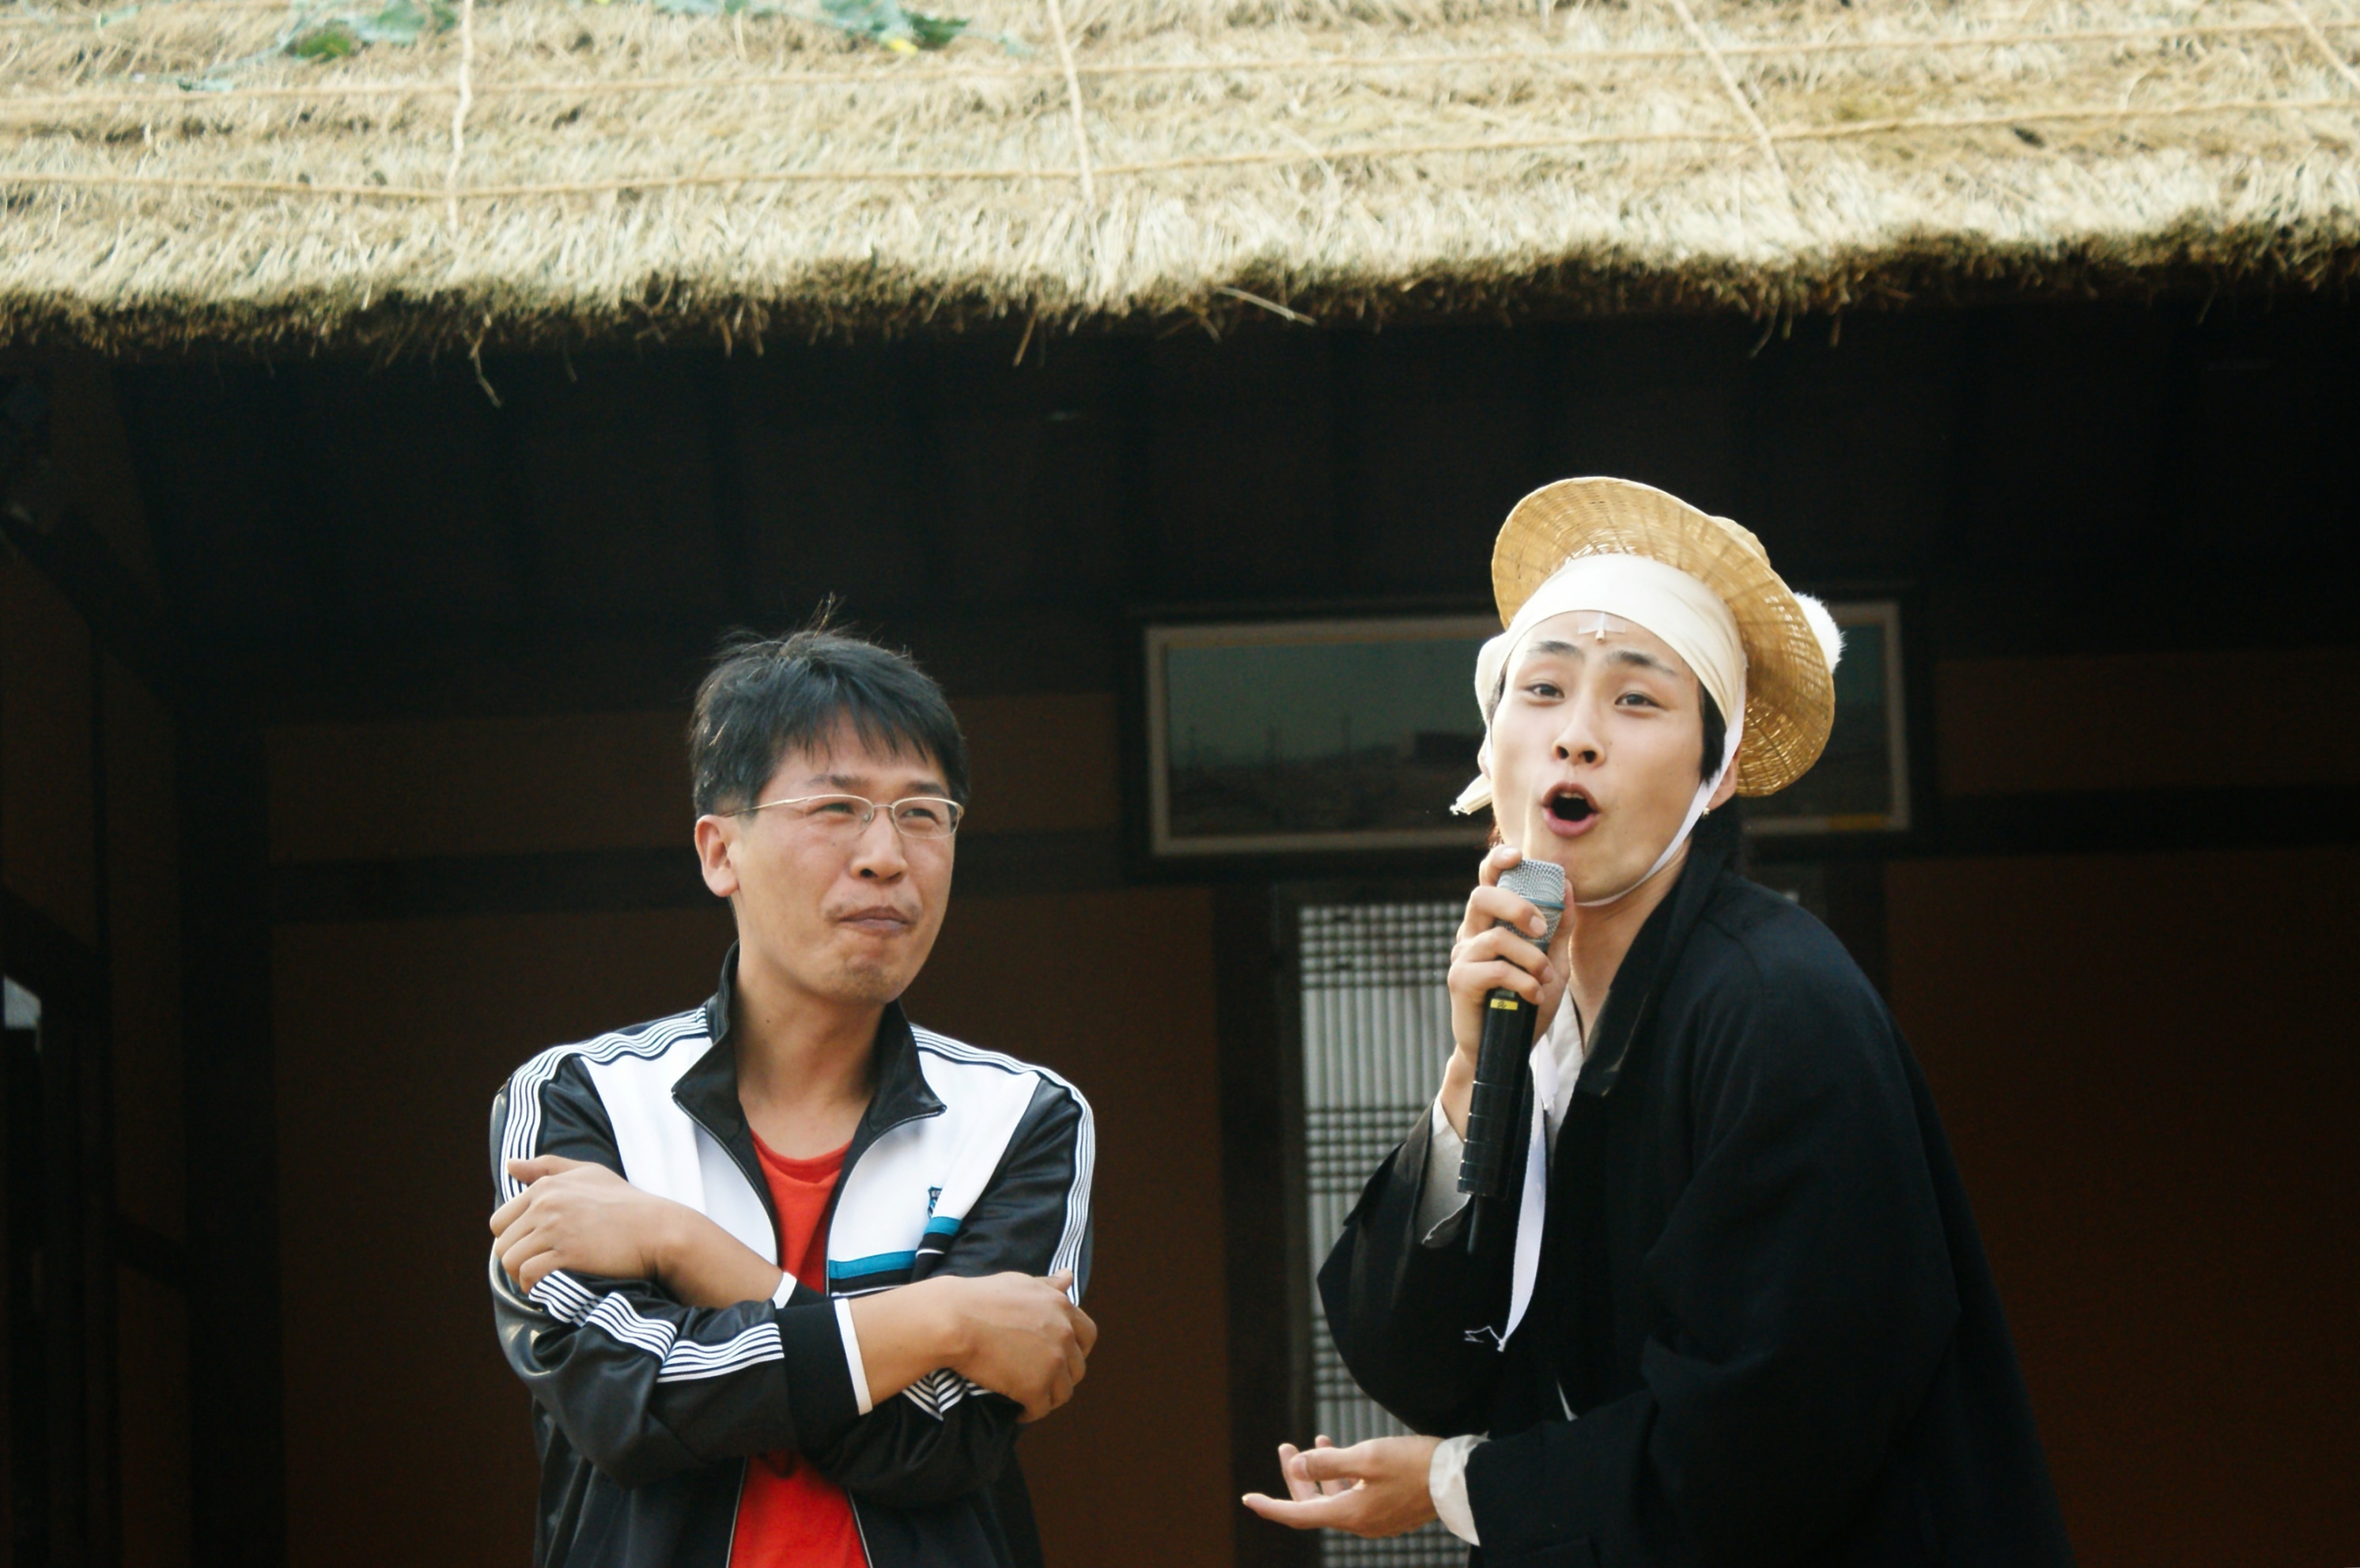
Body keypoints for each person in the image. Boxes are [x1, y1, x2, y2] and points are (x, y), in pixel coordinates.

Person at [1243, 479, 2073, 1565]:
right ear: (1491, 749)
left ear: (1714, 775)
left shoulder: (1777, 1008)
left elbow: (1771, 1435)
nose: (1575, 737)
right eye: (1542, 689)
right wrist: (1471, 1080)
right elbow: (1422, 1364)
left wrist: (1458, 1482)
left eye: (1636, 700)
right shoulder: (1535, 1019)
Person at [486, 624, 1097, 1568]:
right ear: (718, 851)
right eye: (835, 808)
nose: (885, 855)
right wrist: (940, 1321)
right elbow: (630, 1408)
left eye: (922, 813)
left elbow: (933, 1442)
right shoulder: (581, 1099)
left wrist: (684, 1248)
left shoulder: (1021, 1118)